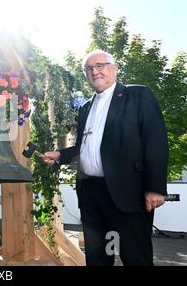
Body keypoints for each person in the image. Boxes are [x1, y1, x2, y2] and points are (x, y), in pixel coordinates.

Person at [43, 50, 168, 266]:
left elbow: (156, 141)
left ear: (114, 68)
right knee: (97, 257)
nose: (95, 71)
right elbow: (87, 147)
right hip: (91, 194)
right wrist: (61, 155)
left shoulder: (138, 95)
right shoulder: (85, 108)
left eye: (100, 65)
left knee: (135, 257)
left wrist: (155, 187)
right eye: (89, 69)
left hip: (128, 192)